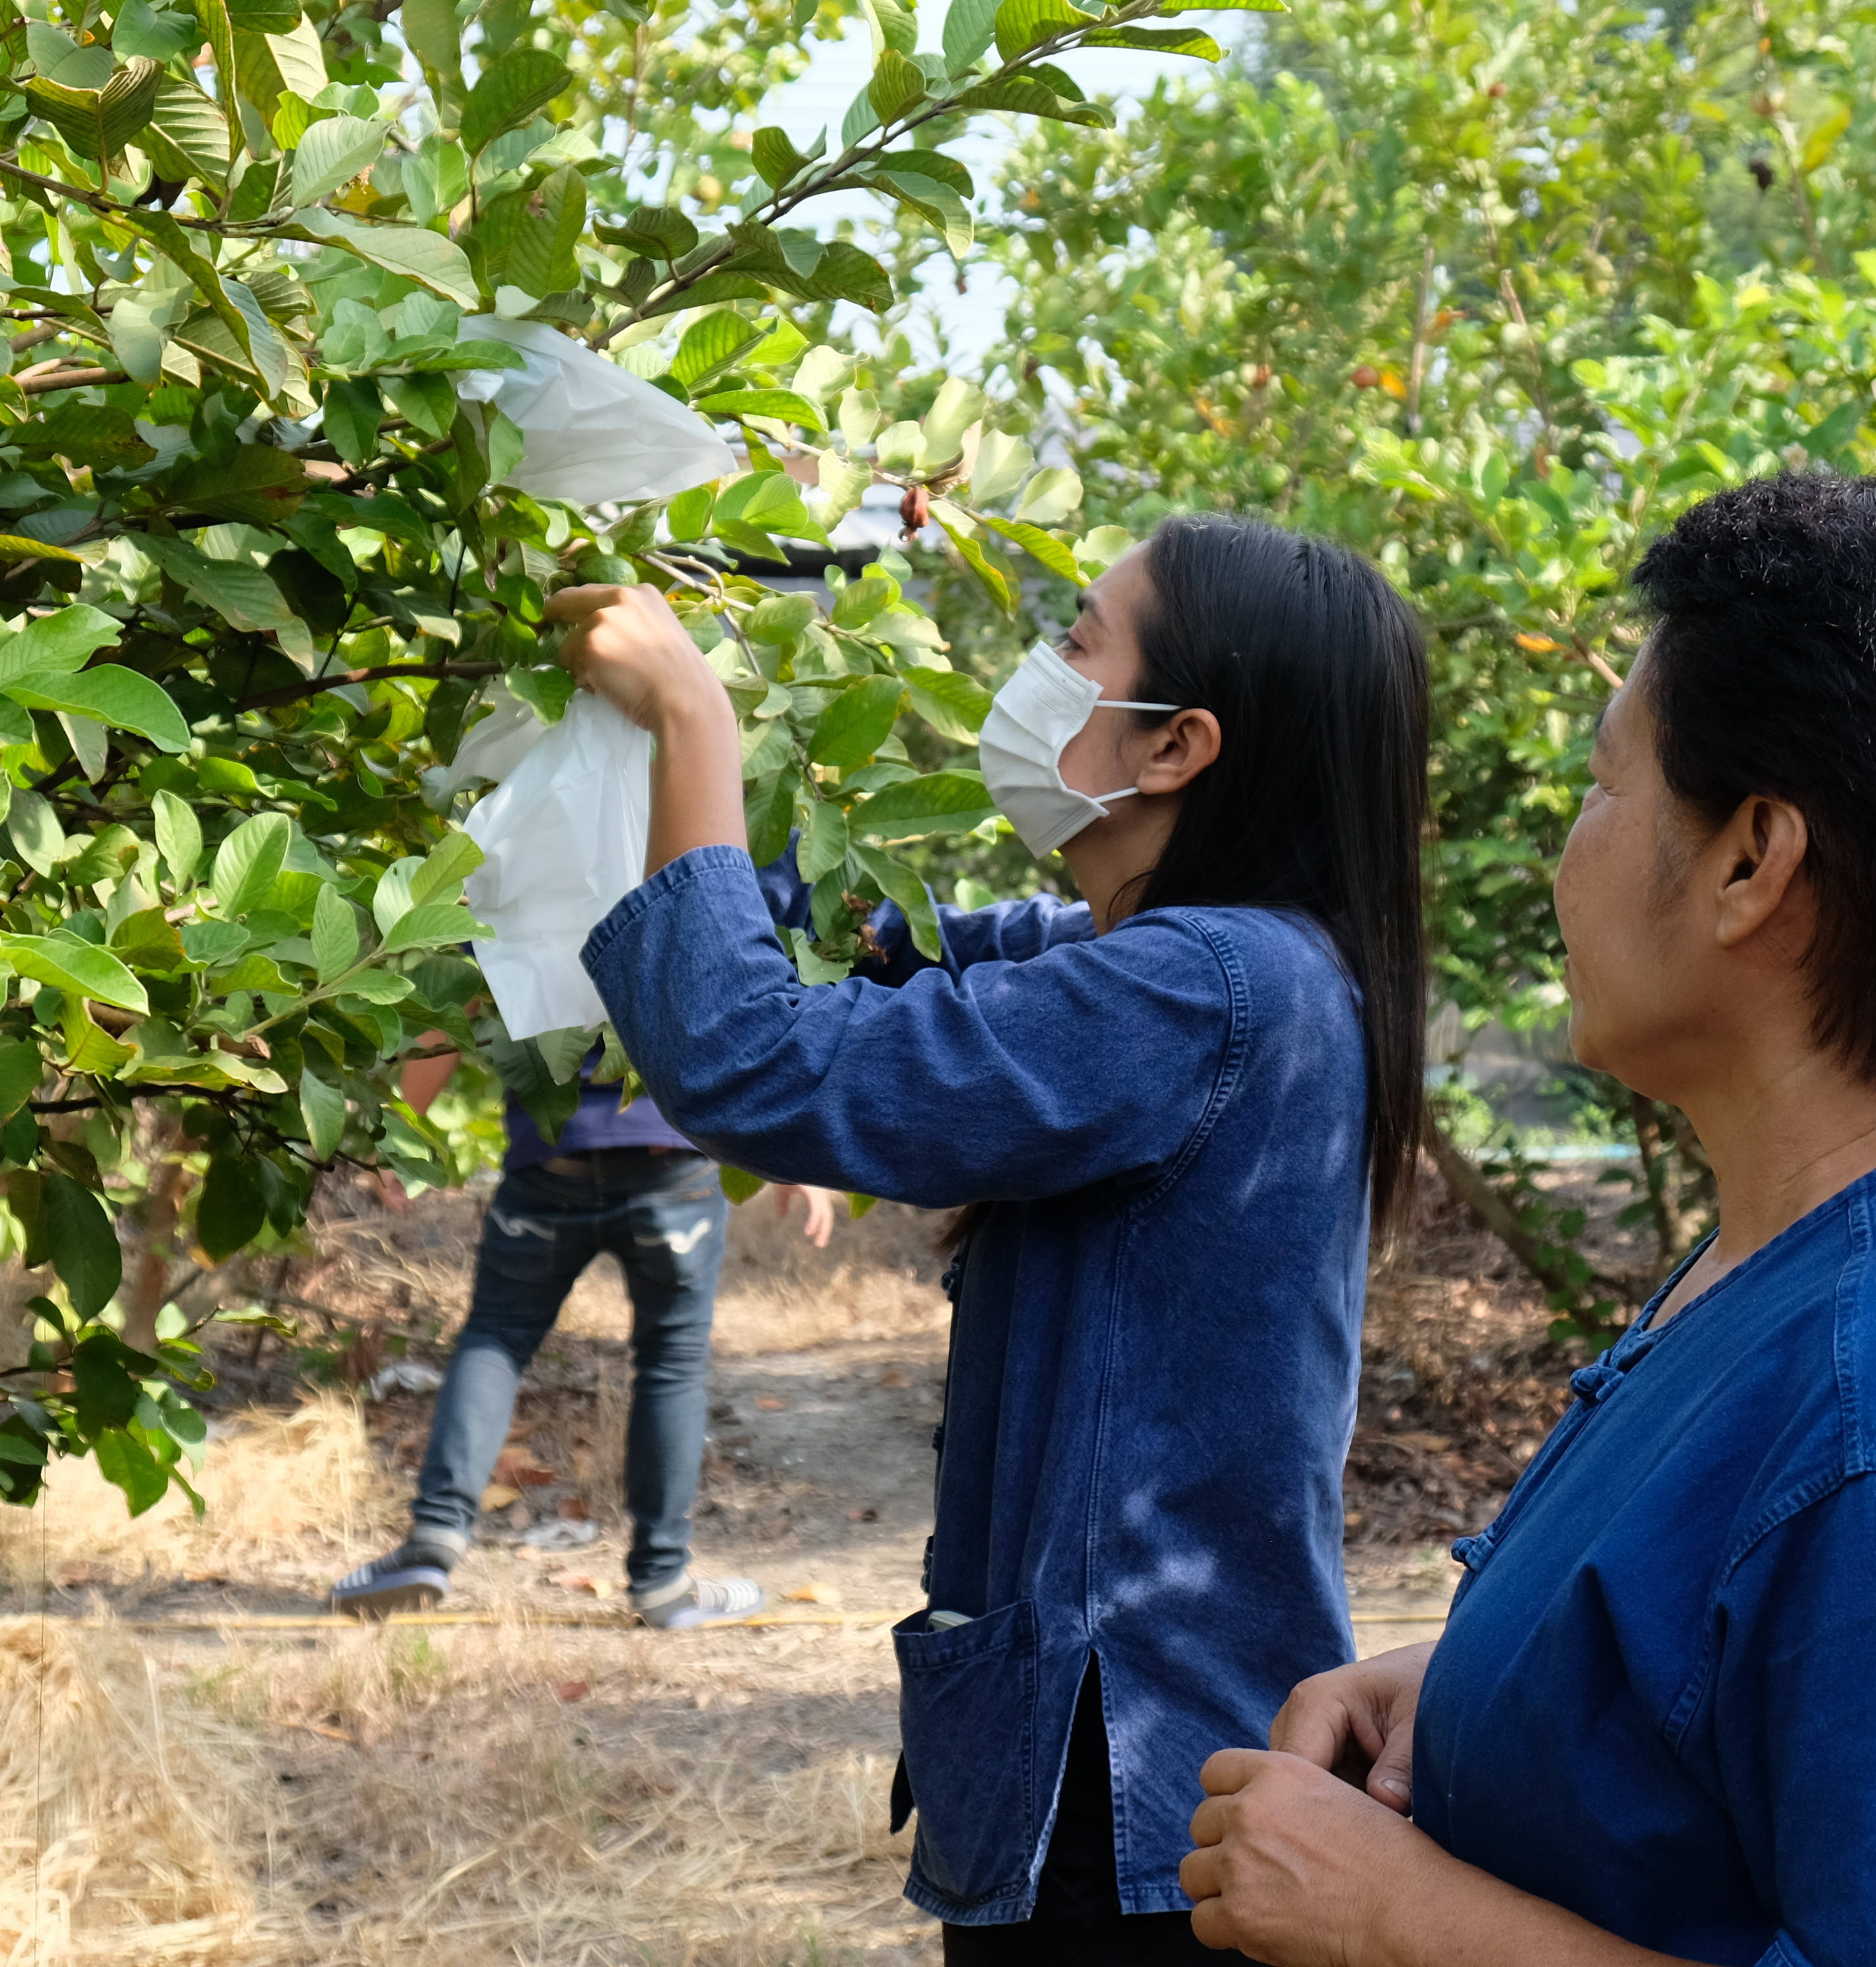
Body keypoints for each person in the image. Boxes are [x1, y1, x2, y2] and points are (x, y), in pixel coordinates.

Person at [1177, 475, 1876, 1966]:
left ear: (1748, 861)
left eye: (1603, 785)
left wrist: (1392, 1913)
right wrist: (1494, 1699)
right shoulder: (1851, 1220)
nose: (1565, 855)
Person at [546, 513, 1433, 1960]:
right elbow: (859, 939)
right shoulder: (1165, 957)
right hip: (1142, 1751)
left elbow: (751, 1061)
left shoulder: (1205, 987)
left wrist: (694, 716)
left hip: (1126, 1771)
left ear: (1175, 748)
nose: (1040, 668)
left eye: (1079, 640)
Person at [332, 879, 850, 1632]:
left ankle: (433, 1543)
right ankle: (662, 1584)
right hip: (673, 1168)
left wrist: (398, 1128)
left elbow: (459, 1008)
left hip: (552, 1163)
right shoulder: (687, 864)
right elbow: (751, 1008)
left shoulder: (526, 865)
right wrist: (792, 1157)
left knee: (497, 1339)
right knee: (670, 1360)